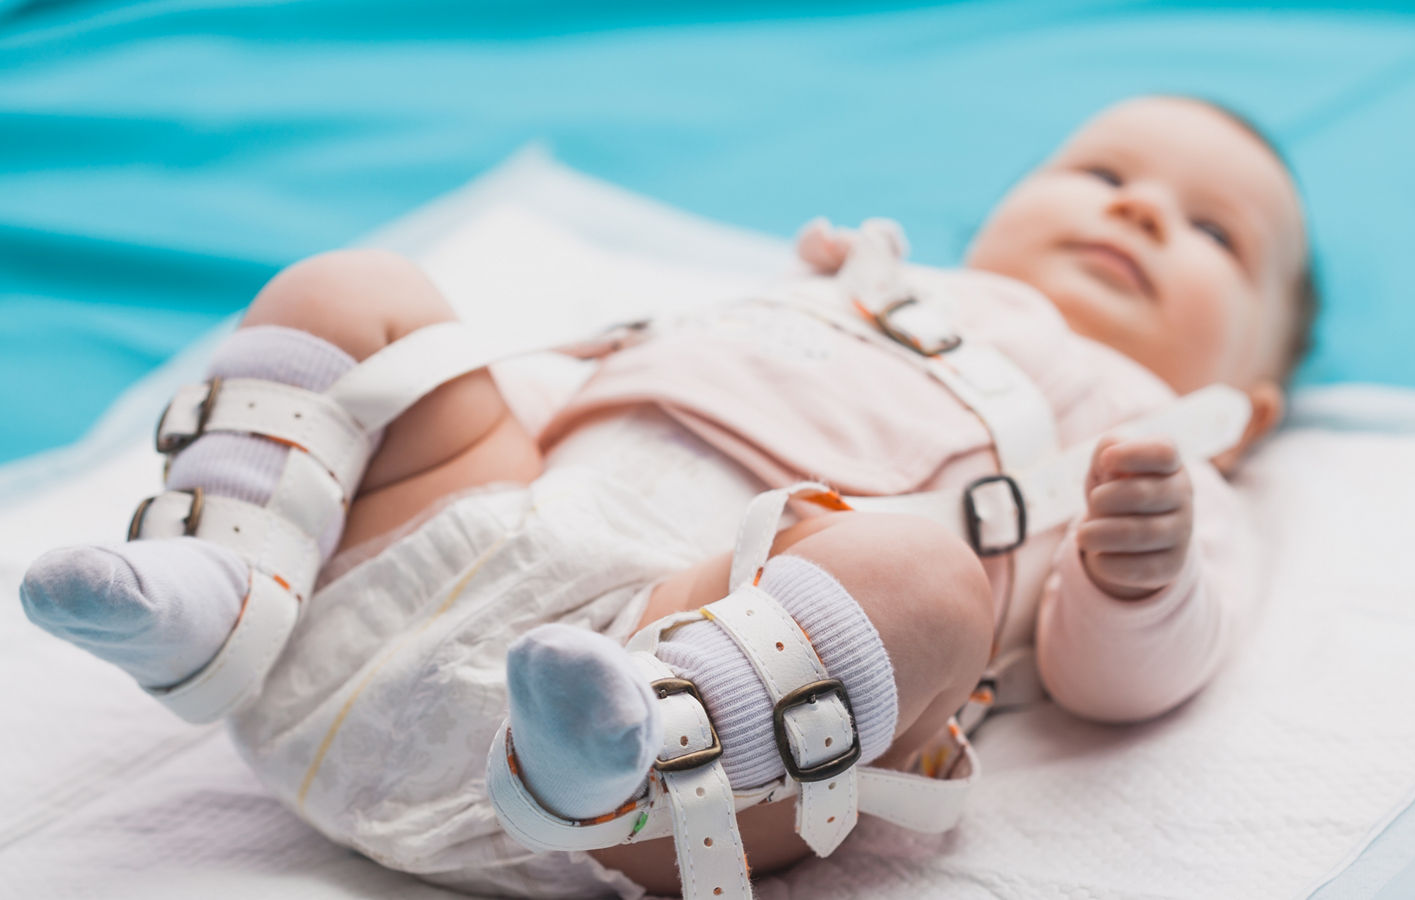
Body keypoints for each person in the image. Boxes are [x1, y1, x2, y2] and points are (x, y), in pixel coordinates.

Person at [19, 94, 1315, 899]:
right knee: (353, 293)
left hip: (673, 715)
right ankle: (229, 579)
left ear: (1248, 400)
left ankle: (621, 737)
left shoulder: (1166, 449)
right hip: (467, 536)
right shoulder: (869, 281)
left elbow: (1121, 679)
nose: (1143, 209)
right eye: (1101, 174)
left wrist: (1139, 577)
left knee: (925, 580)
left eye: (1214, 235)